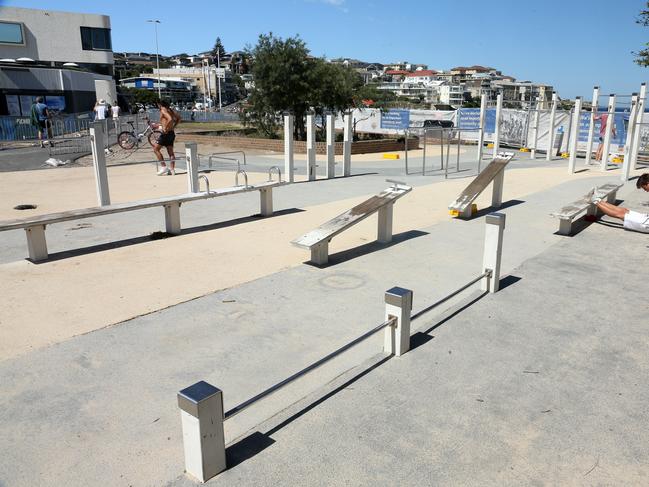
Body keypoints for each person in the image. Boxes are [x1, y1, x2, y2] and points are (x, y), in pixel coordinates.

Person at [152, 99, 182, 175]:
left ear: (159, 104)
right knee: (170, 152)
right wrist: (173, 126)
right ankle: (172, 170)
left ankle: (164, 167)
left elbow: (170, 119)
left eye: (157, 105)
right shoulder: (170, 110)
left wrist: (165, 128)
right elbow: (179, 118)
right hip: (171, 133)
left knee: (156, 149)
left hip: (166, 133)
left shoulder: (163, 110)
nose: (157, 106)